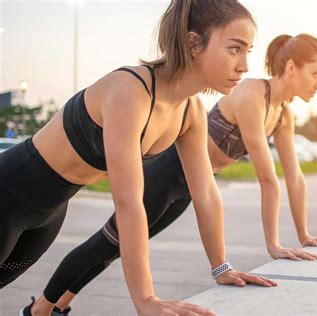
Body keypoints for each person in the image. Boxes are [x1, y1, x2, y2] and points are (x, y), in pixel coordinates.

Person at [32, 33, 317, 315]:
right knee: (107, 244)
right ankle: (39, 310)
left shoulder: (282, 112)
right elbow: (266, 176)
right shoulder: (251, 95)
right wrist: (273, 244)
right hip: (166, 174)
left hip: (190, 187)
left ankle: (59, 306)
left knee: (116, 250)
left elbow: (295, 176)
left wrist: (303, 235)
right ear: (291, 68)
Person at [1, 1, 274, 315]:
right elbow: (128, 201)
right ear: (192, 43)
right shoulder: (131, 90)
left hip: (48, 214)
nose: (244, 66)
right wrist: (145, 299)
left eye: (248, 51)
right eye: (234, 49)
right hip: (8, 195)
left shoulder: (190, 111)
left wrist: (221, 268)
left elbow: (206, 194)